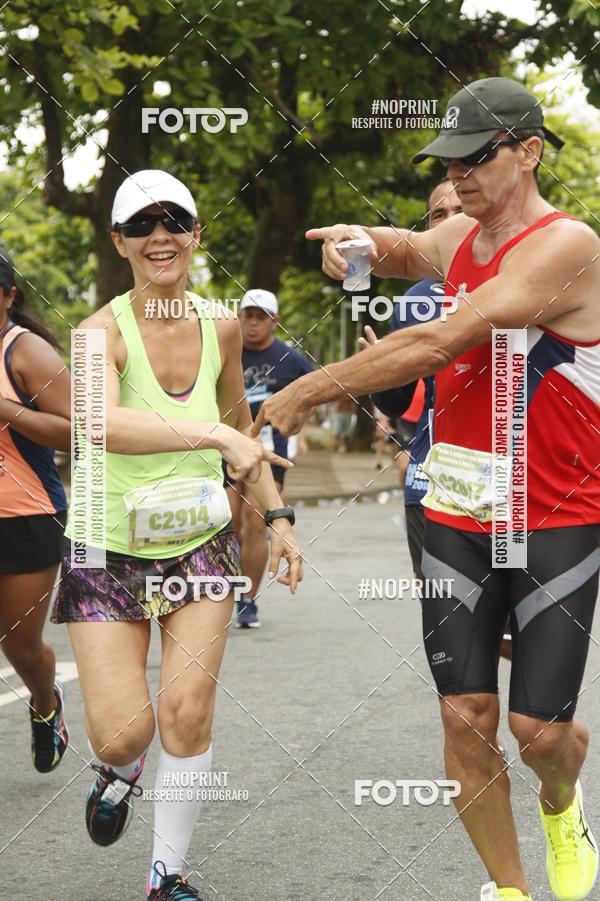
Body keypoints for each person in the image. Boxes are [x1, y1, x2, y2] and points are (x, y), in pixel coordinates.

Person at [253, 78, 600, 901]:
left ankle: (561, 798)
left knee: (538, 730)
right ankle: (509, 890)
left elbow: (444, 338)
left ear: (528, 152)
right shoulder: (462, 235)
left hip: (557, 511)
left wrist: (309, 390)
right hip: (456, 507)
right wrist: (359, 242)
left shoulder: (566, 244)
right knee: (465, 715)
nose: (459, 175)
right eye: (449, 162)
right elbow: (409, 247)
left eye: (475, 158)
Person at [51, 170, 303, 900]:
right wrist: (212, 434)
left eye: (174, 221)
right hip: (104, 543)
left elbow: (241, 426)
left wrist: (276, 515)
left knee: (187, 712)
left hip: (199, 540)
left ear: (196, 234)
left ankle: (167, 876)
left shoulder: (221, 325)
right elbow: (99, 424)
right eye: (141, 225)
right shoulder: (97, 334)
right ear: (119, 242)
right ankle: (120, 770)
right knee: (123, 731)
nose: (159, 236)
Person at [0, 246, 70, 774]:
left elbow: (75, 430)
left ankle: (46, 704)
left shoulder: (25, 351)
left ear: (8, 295)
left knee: (20, 646)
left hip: (26, 516)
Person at [224, 289, 312, 629]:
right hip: (225, 444)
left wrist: (299, 429)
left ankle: (247, 598)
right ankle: (225, 587)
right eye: (248, 315)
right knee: (227, 521)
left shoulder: (291, 358)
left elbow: (313, 393)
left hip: (268, 451)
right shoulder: (227, 349)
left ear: (274, 320)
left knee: (255, 522)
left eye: (262, 317)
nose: (253, 323)